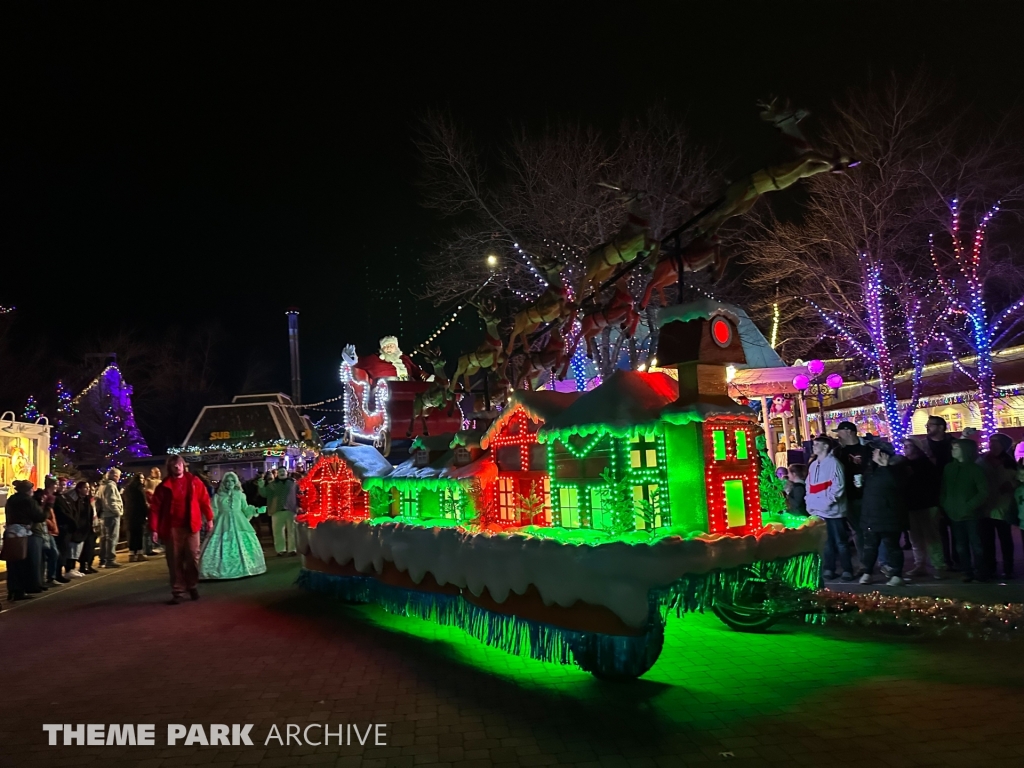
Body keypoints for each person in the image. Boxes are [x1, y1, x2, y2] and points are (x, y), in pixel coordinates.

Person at [150, 455, 213, 604]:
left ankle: (192, 585)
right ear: (170, 468)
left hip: (192, 526)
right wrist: (154, 529)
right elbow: (155, 509)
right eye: (174, 465)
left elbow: (204, 500)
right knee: (174, 560)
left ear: (183, 465)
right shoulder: (163, 486)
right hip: (172, 528)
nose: (177, 467)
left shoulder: (194, 482)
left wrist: (209, 518)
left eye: (179, 464)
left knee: (192, 557)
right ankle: (178, 591)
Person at [199, 472, 267, 580]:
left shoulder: (240, 495)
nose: (229, 483)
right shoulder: (217, 497)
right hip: (222, 523)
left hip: (239, 522)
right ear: (223, 483)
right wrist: (207, 518)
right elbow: (213, 511)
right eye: (227, 481)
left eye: (232, 481)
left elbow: (245, 509)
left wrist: (256, 510)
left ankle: (245, 567)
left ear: (235, 482)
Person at [940, 439, 990, 582]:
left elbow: (983, 492)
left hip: (971, 515)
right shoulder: (949, 468)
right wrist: (946, 504)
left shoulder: (975, 469)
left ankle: (981, 571)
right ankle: (966, 571)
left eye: (956, 448)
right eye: (952, 448)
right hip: (954, 514)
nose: (952, 450)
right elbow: (944, 488)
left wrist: (969, 506)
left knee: (977, 544)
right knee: (960, 545)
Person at [859, 441, 908, 586]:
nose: (872, 454)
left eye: (875, 451)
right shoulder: (872, 470)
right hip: (871, 516)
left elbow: (896, 486)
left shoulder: (897, 469)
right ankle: (867, 572)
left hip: (889, 516)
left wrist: (886, 467)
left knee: (892, 546)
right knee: (870, 547)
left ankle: (896, 574)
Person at [805, 435, 852, 581]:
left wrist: (826, 502)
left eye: (817, 444)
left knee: (840, 541)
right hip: (819, 510)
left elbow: (838, 486)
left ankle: (847, 569)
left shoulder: (834, 464)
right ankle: (829, 569)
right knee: (826, 542)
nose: (814, 446)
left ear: (826, 446)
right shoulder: (813, 465)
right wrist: (810, 503)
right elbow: (809, 485)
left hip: (833, 511)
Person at [902, 438, 946, 579]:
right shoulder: (904, 464)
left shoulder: (925, 464)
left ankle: (939, 566)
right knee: (915, 538)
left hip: (927, 505)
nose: (905, 448)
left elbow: (933, 484)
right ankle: (919, 564)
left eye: (908, 446)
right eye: (904, 446)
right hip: (911, 505)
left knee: (931, 537)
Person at [978, 433, 1017, 579]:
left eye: (996, 443)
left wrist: (1011, 485)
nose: (992, 445)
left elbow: (1018, 479)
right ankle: (990, 567)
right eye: (990, 442)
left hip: (1003, 507)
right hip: (986, 506)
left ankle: (1008, 568)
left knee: (1005, 539)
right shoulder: (982, 461)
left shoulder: (1010, 463)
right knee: (986, 540)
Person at [834, 421, 872, 564]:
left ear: (849, 431)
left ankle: (882, 562)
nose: (838, 435)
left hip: (868, 494)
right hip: (849, 495)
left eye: (840, 432)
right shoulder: (838, 451)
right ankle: (865, 563)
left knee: (872, 529)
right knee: (857, 530)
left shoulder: (868, 447)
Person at [5, 480, 48, 600]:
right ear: (29, 490)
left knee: (13, 563)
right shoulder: (29, 501)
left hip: (12, 532)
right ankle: (21, 591)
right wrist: (46, 506)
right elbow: (40, 517)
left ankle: (12, 589)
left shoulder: (12, 500)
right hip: (24, 533)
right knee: (24, 562)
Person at [343, 336, 433, 382]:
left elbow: (416, 371)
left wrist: (425, 376)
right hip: (385, 390)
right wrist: (352, 358)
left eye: (391, 346)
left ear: (396, 347)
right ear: (382, 349)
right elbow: (360, 362)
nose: (389, 348)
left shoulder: (404, 359)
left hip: (408, 386)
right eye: (386, 346)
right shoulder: (374, 359)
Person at [258, 468, 297, 556]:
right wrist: (260, 487)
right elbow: (264, 494)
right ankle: (280, 550)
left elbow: (299, 494)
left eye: (283, 471)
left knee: (292, 531)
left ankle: (292, 549)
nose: (282, 473)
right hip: (276, 511)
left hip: (291, 510)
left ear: (287, 472)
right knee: (278, 532)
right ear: (277, 474)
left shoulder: (293, 484)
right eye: (280, 472)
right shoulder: (272, 485)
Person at [96, 468, 124, 568]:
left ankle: (102, 559)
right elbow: (111, 501)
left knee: (104, 538)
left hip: (104, 515)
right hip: (111, 515)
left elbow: (98, 500)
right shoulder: (111, 486)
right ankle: (110, 559)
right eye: (118, 476)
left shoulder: (102, 485)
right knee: (112, 537)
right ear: (115, 476)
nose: (119, 478)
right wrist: (118, 512)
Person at [122, 473, 149, 562]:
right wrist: (146, 513)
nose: (143, 480)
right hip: (138, 514)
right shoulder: (139, 489)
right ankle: (139, 553)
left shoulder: (127, 489)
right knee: (139, 534)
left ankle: (132, 554)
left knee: (131, 535)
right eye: (141, 478)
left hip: (129, 514)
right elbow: (142, 503)